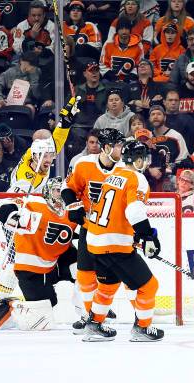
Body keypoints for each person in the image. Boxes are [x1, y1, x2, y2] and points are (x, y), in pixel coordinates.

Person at [83, 140, 164, 342]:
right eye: (143, 159)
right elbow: (133, 210)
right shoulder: (136, 178)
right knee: (149, 285)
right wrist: (147, 236)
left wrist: (136, 235)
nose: (145, 162)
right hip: (114, 244)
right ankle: (142, 329)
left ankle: (93, 326)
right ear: (137, 161)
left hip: (94, 241)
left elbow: (115, 210)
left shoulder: (112, 176)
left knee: (107, 286)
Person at [61, 128, 127, 333]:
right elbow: (68, 189)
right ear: (107, 148)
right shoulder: (84, 164)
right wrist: (73, 207)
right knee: (85, 275)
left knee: (116, 276)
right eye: (118, 145)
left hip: (114, 233)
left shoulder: (125, 169)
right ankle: (88, 315)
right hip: (90, 230)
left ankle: (107, 311)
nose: (121, 149)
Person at [0, 177, 79, 330]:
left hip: (55, 263)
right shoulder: (34, 203)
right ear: (47, 191)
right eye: (56, 190)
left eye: (63, 191)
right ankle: (10, 307)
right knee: (42, 319)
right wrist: (12, 215)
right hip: (30, 270)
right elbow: (3, 206)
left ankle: (90, 309)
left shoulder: (72, 211)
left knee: (82, 269)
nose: (60, 195)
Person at [8, 98, 78, 194]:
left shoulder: (36, 152)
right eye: (44, 156)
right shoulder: (25, 180)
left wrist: (65, 121)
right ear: (35, 155)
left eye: (51, 155)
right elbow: (12, 201)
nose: (49, 159)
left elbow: (57, 139)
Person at [0, 51, 41, 115]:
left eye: (31, 66)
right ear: (21, 61)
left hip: (26, 103)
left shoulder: (37, 72)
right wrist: (0, 99)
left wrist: (34, 77)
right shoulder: (10, 72)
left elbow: (37, 95)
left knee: (30, 108)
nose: (28, 68)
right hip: (8, 101)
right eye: (26, 65)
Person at [100, 17, 144, 83]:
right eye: (121, 29)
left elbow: (140, 65)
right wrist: (112, 76)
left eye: (126, 29)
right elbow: (102, 64)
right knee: (103, 83)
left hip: (130, 79)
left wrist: (130, 76)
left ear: (130, 30)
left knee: (135, 84)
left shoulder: (138, 45)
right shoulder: (108, 43)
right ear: (117, 30)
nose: (124, 31)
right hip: (110, 78)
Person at [148, 104, 189, 171]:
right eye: (153, 114)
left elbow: (184, 159)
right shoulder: (146, 137)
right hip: (150, 177)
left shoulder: (176, 136)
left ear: (165, 118)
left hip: (171, 177)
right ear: (149, 119)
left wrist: (172, 167)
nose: (155, 116)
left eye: (159, 114)